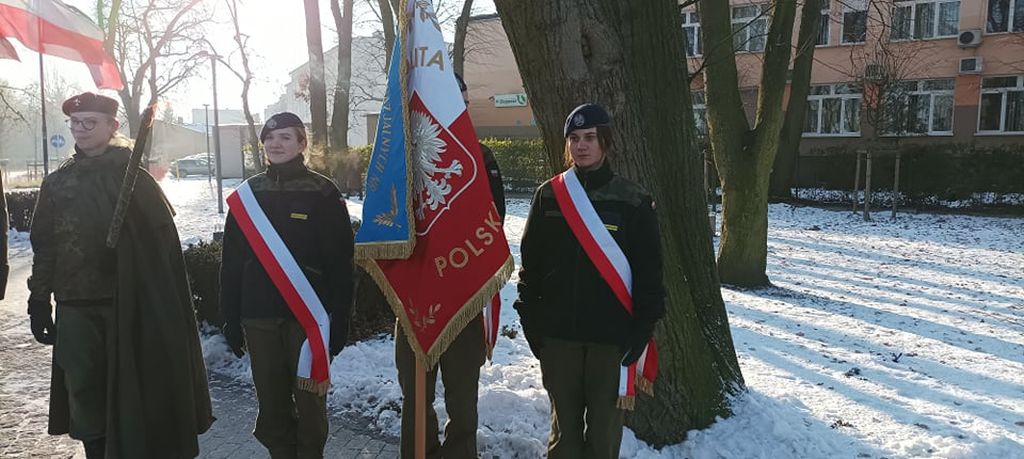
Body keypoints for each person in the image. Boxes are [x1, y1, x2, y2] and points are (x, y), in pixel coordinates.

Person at [27, 92, 213, 458]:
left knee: (135, 393)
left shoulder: (136, 182)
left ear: (112, 126)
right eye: (75, 123)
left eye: (90, 122)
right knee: (84, 391)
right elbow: (45, 247)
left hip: (128, 306)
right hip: (75, 306)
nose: (81, 129)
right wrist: (38, 301)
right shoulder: (57, 183)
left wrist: (131, 256)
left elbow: (161, 248)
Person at [514, 103, 665, 459]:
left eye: (590, 137)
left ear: (605, 141)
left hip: (610, 343)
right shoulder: (549, 196)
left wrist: (642, 330)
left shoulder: (632, 200)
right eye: (574, 138)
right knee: (564, 438)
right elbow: (531, 267)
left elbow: (650, 273)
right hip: (558, 339)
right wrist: (532, 324)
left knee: (603, 437)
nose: (581, 145)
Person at [219, 112, 355, 459]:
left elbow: (341, 262)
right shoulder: (247, 195)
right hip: (258, 315)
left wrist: (341, 319)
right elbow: (231, 263)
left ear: (301, 143)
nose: (275, 144)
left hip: (306, 319)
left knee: (310, 406)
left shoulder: (322, 192)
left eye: (285, 137)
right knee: (272, 405)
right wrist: (230, 317)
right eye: (269, 138)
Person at [393, 72, 506, 459]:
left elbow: (494, 223)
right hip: (416, 298)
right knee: (415, 397)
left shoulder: (481, 156)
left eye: (462, 99)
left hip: (463, 296)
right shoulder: (403, 156)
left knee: (463, 399)